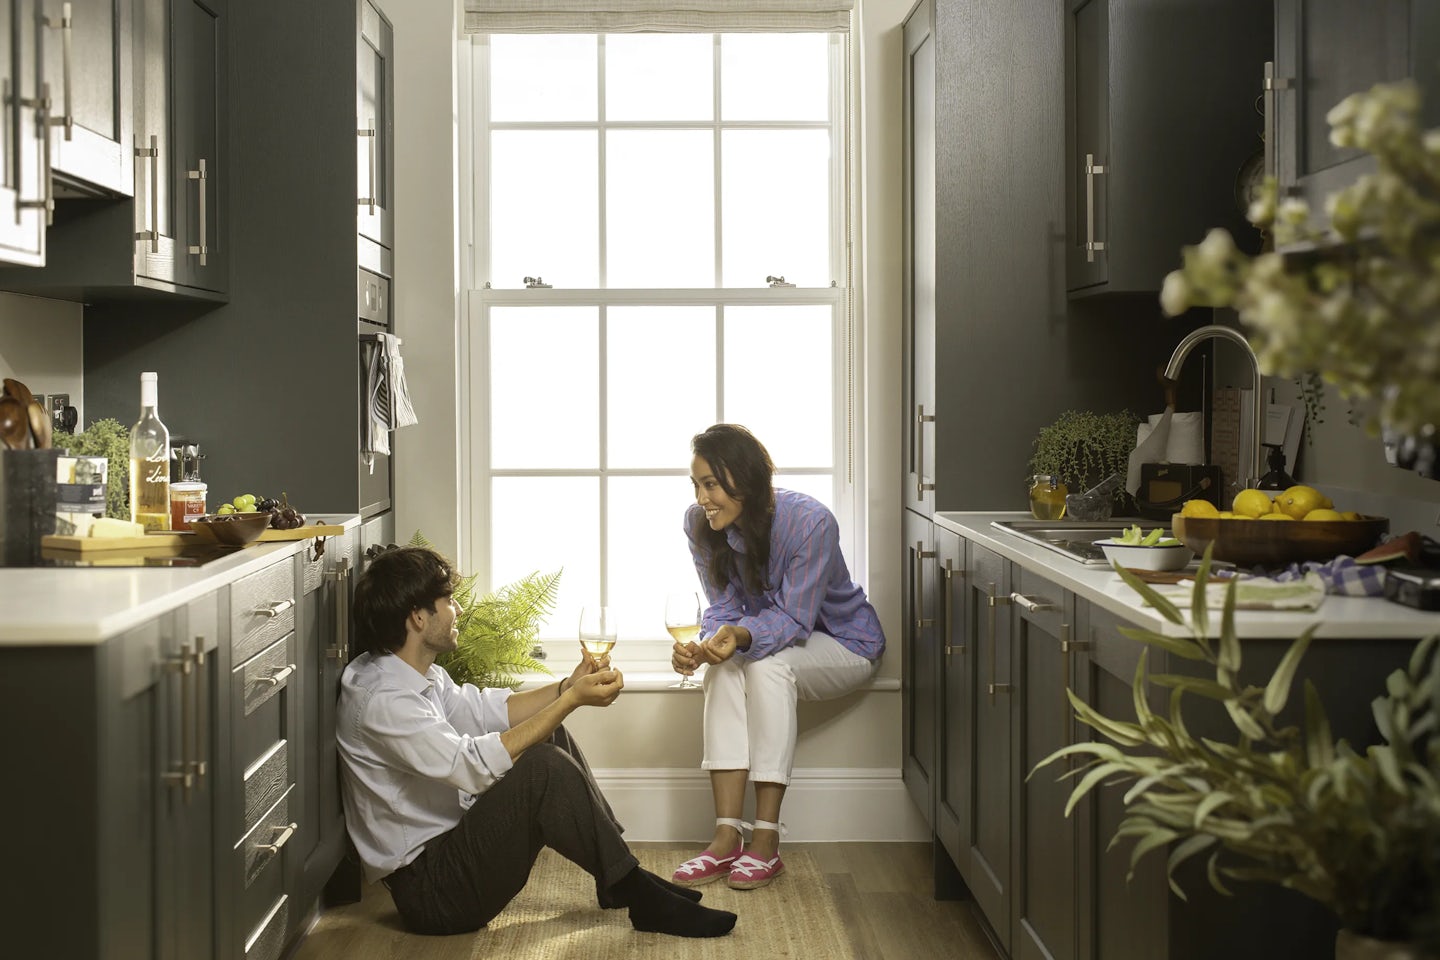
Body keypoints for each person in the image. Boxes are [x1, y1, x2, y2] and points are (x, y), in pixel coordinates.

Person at [337, 545, 737, 939]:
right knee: (541, 768)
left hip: (451, 853)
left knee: (548, 729)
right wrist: (570, 701)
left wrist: (568, 686)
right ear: (418, 617)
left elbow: (485, 711)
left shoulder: (413, 674)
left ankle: (623, 876)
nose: (457, 611)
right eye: (448, 601)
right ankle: (635, 890)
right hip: (435, 894)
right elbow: (470, 767)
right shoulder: (383, 701)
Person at [670, 424, 886, 890]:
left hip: (846, 643)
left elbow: (793, 619)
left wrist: (739, 634)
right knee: (725, 667)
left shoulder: (810, 522)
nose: (702, 497)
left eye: (711, 484)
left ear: (744, 482)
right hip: (768, 639)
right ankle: (726, 837)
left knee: (768, 663)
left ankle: (765, 842)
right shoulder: (699, 524)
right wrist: (708, 644)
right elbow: (723, 608)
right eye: (697, 484)